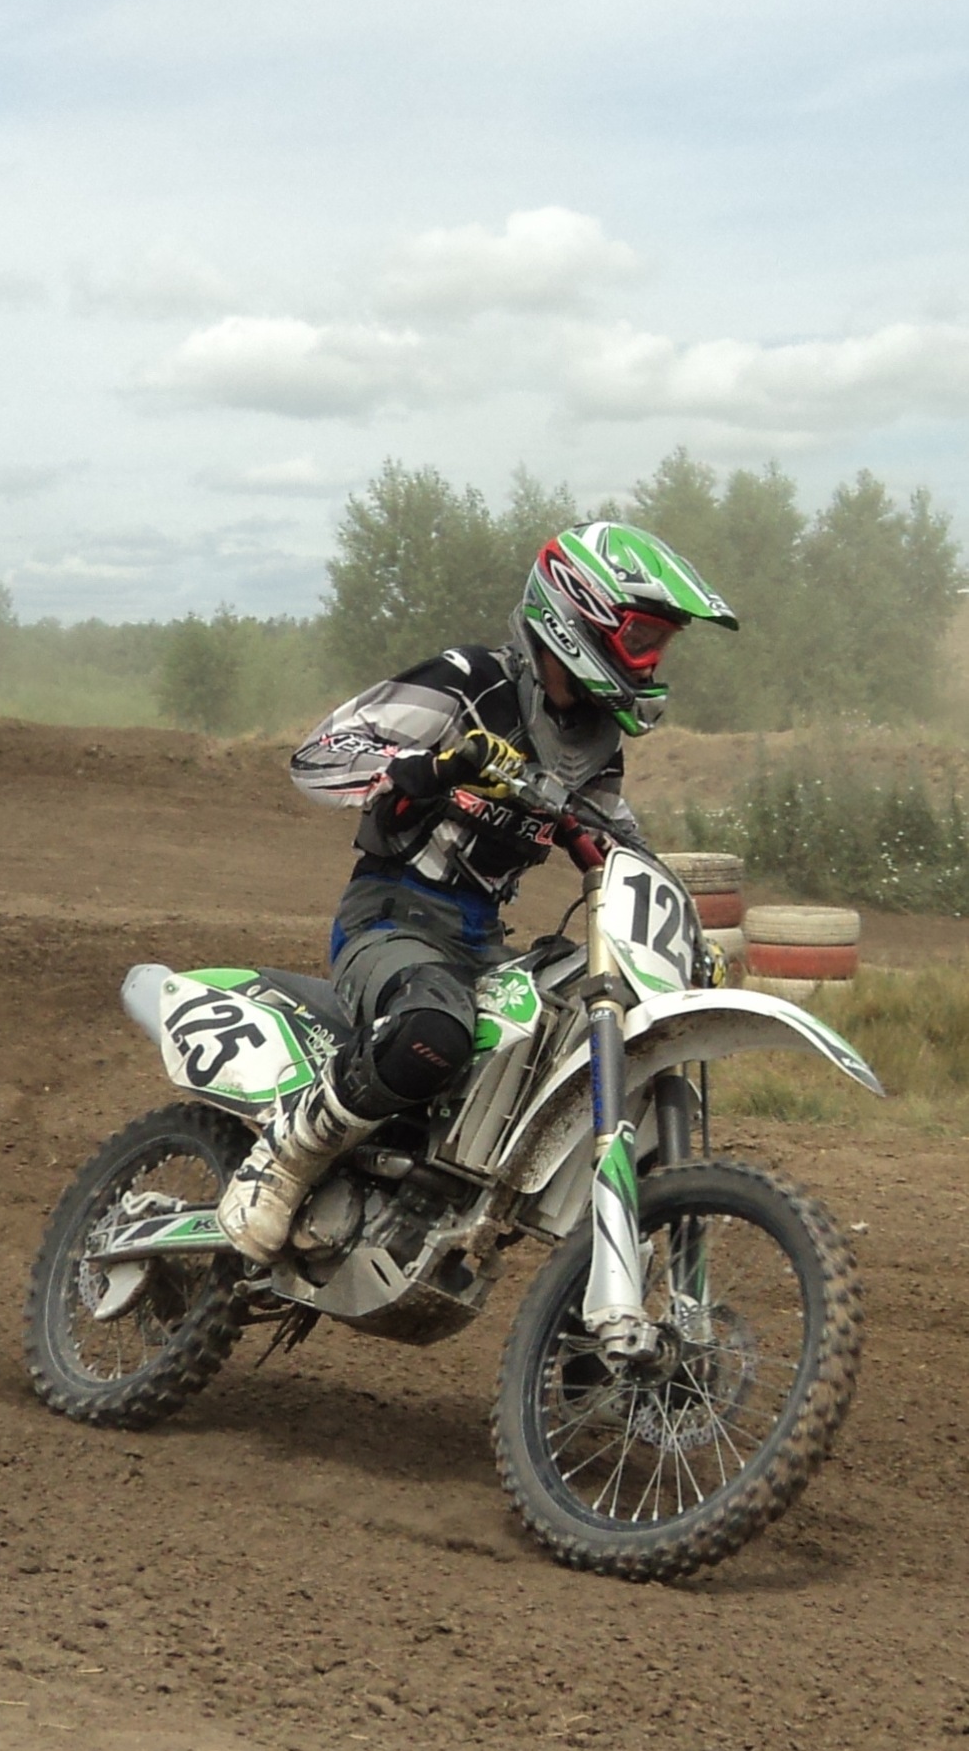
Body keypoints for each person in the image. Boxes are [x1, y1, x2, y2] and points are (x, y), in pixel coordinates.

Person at [217, 521, 737, 1261]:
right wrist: (433, 767)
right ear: (581, 615)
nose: (652, 660)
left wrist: (682, 931)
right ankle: (285, 1158)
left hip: (480, 940)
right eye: (643, 638)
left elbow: (614, 840)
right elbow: (320, 755)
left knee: (574, 1026)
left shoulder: (594, 742)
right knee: (435, 1033)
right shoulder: (470, 681)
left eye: (660, 644)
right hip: (390, 917)